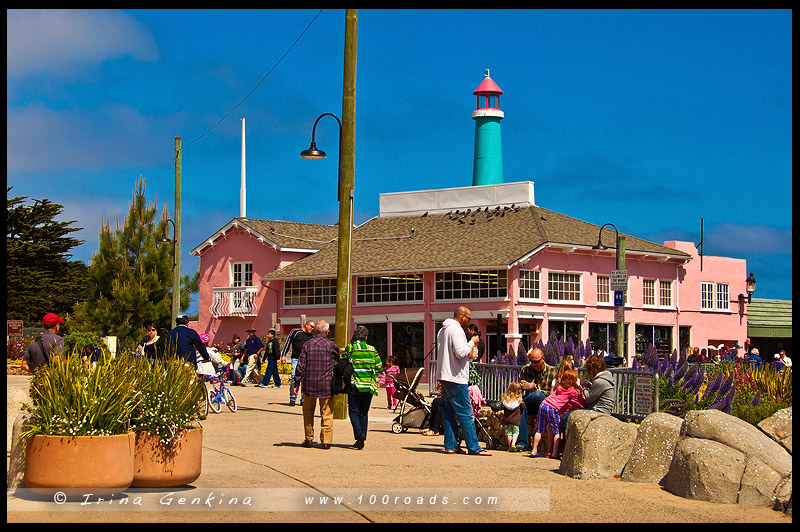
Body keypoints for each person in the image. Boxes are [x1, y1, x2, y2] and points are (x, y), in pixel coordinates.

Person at [435, 305, 491, 456]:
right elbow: (460, 352)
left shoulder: (442, 330)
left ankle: (451, 445)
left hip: (444, 375)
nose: (469, 321)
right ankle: (474, 446)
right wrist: (472, 342)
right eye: (469, 318)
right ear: (462, 317)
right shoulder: (457, 329)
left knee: (449, 412)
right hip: (456, 377)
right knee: (466, 412)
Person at [294, 320, 340, 449]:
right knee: (327, 413)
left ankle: (309, 439)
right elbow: (338, 358)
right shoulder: (331, 345)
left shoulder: (307, 345)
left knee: (308, 412)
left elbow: (300, 365)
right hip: (326, 384)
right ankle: (326, 441)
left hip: (309, 384)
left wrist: (296, 383)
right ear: (326, 331)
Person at [341, 325, 383, 450]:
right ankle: (362, 437)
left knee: (353, 411)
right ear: (365, 337)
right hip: (369, 386)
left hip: (355, 384)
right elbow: (379, 367)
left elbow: (342, 361)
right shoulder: (372, 349)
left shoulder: (351, 348)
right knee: (364, 412)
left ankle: (359, 435)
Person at [531, 367, 586, 459]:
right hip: (553, 408)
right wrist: (581, 391)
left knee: (539, 430)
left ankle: (534, 450)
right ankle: (555, 453)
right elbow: (581, 401)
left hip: (544, 404)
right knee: (557, 431)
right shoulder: (572, 391)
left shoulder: (560, 387)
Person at [558, 355, 615, 439]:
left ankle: (565, 447)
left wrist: (583, 386)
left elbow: (588, 400)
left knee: (566, 417)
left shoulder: (600, 382)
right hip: (602, 408)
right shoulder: (605, 378)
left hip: (599, 409)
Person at [516, 347, 557, 451]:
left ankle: (510, 403)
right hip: (530, 402)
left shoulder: (552, 371)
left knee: (537, 395)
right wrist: (523, 386)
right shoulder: (526, 369)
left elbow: (554, 393)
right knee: (522, 408)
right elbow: (518, 389)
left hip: (545, 402)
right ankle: (522, 442)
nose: (533, 364)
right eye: (531, 361)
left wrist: (537, 391)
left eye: (536, 362)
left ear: (543, 359)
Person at [282, 320, 316, 406]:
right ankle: (292, 398)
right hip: (296, 359)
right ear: (306, 325)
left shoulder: (313, 336)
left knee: (305, 380)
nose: (312, 329)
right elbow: (287, 343)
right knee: (294, 377)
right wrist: (283, 355)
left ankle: (303, 399)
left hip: (308, 360)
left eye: (314, 328)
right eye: (311, 327)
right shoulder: (295, 332)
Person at [501, 382, 525, 452]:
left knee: (508, 434)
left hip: (507, 420)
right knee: (515, 433)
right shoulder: (519, 401)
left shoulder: (506, 400)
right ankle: (513, 444)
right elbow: (523, 407)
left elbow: (501, 406)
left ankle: (509, 446)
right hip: (516, 420)